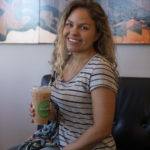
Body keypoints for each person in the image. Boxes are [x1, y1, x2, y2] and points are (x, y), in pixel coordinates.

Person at [30, 0, 118, 150]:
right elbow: (64, 116)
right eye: (69, 24)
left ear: (97, 35)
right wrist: (50, 113)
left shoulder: (99, 68)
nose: (73, 32)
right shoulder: (63, 63)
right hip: (62, 144)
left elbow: (102, 129)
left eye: (83, 27)